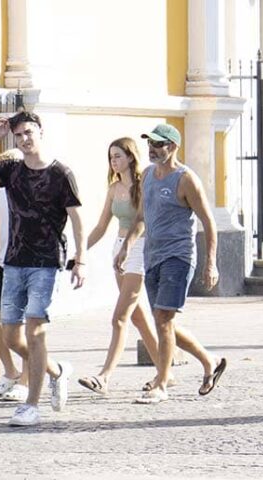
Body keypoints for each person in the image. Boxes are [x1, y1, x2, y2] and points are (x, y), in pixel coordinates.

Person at [0, 111, 87, 426]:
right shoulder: (10, 170)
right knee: (11, 337)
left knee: (35, 332)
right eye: (18, 135)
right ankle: (56, 370)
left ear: (40, 133)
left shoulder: (61, 173)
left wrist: (81, 260)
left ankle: (31, 405)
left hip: (45, 263)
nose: (24, 140)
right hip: (13, 262)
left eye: (29, 133)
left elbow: (77, 220)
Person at [116, 124, 227, 404]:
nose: (152, 149)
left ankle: (162, 383)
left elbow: (208, 222)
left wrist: (210, 263)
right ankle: (209, 360)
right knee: (164, 322)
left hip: (178, 257)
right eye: (150, 143)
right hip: (152, 257)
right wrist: (127, 246)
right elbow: (141, 216)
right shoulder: (149, 176)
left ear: (173, 147)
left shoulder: (186, 179)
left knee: (163, 320)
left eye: (159, 144)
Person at [78, 137, 164, 395]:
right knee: (138, 318)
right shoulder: (114, 189)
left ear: (130, 157)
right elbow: (101, 226)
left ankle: (104, 376)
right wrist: (79, 252)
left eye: (117, 156)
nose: (113, 161)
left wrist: (129, 246)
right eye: (111, 157)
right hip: (118, 250)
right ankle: (165, 372)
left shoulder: (144, 184)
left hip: (138, 249)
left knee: (119, 318)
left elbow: (144, 221)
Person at [0, 148, 28, 402]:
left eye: (7, 164)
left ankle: (27, 381)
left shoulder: (28, 190)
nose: (2, 168)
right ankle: (10, 371)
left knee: (20, 327)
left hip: (23, 263)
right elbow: (2, 216)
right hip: (2, 261)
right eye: (1, 163)